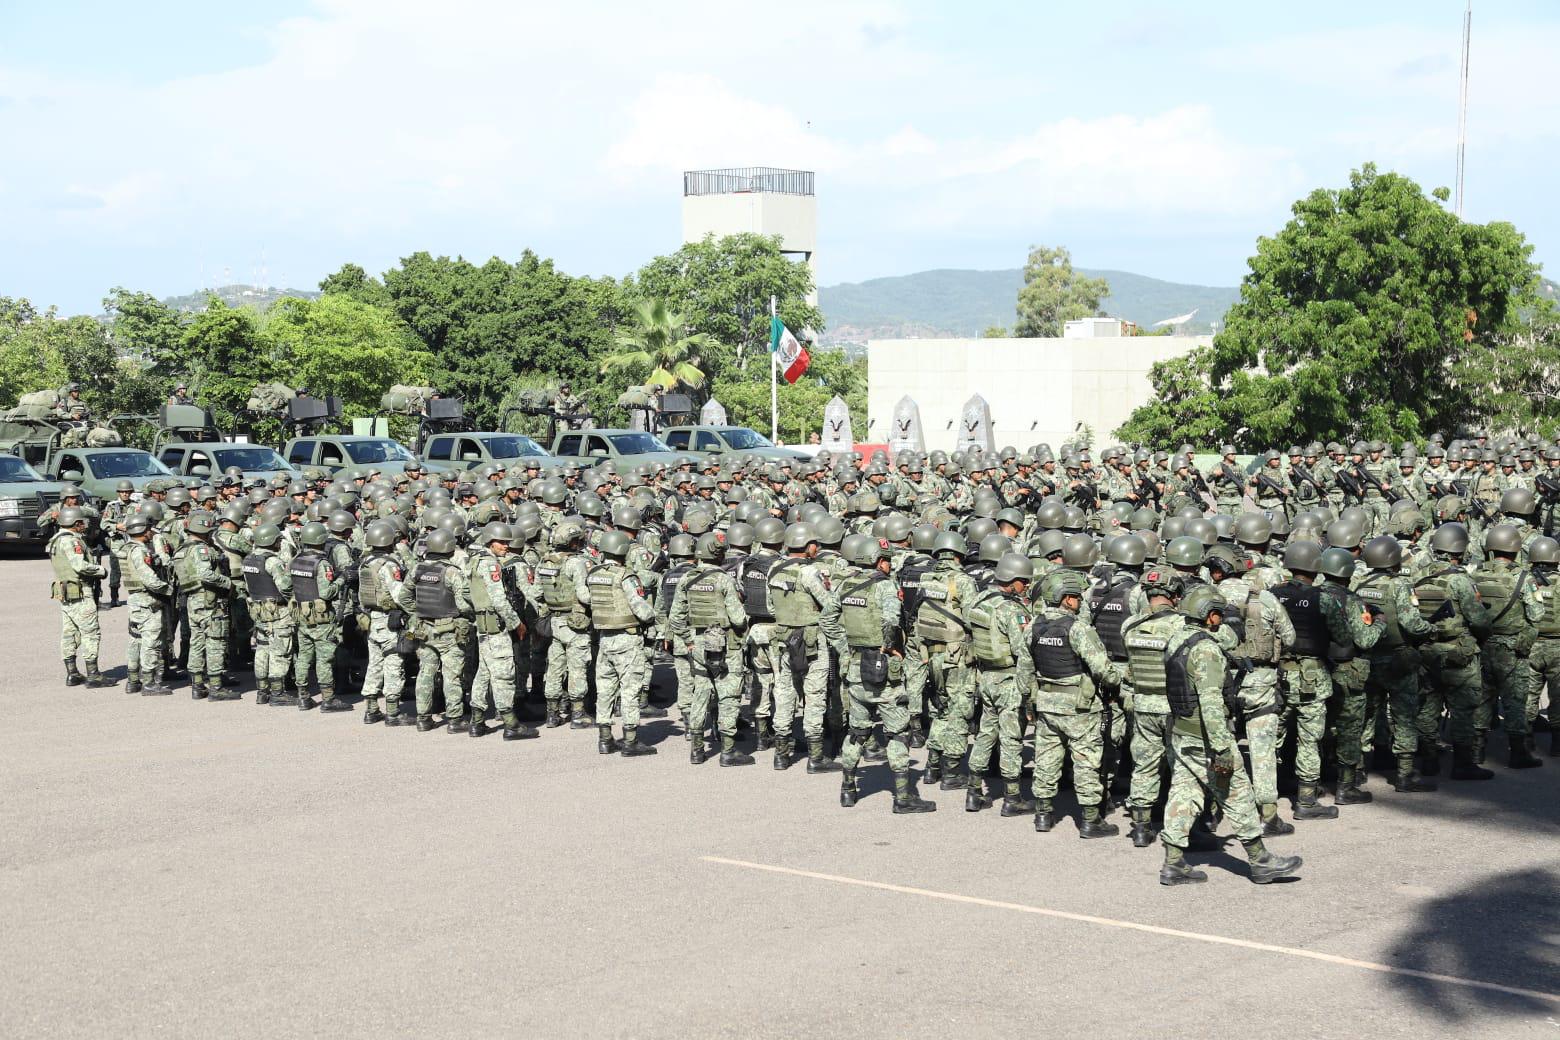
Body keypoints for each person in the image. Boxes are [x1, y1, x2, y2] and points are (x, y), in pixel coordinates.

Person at [1158, 585, 1304, 885]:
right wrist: (1222, 749)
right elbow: (1211, 703)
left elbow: (1221, 639)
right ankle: (1260, 860)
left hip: (1183, 733)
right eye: (1218, 615)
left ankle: (1173, 862)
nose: (1220, 620)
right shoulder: (1207, 652)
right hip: (1207, 738)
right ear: (1209, 615)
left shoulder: (1177, 639)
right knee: (1238, 794)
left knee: (1184, 794)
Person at [832, 534, 934, 812]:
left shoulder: (844, 585)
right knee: (897, 732)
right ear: (879, 561)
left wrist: (845, 647)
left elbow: (829, 619)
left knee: (857, 731)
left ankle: (848, 789)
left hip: (855, 667)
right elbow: (891, 621)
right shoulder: (885, 587)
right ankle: (903, 797)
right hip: (883, 670)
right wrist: (890, 650)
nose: (888, 565)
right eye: (886, 561)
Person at [1030, 569, 1122, 836]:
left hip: (1047, 703)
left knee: (1046, 759)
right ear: (1067, 600)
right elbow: (1103, 669)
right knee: (1086, 761)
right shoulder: (1079, 629)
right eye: (1077, 598)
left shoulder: (1034, 627)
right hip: (1079, 708)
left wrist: (1030, 701)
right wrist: (1117, 681)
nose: (1080, 601)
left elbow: (1026, 670)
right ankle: (1091, 820)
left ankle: (1043, 815)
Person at [668, 533, 752, 766]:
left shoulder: (686, 578)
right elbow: (737, 619)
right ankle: (728, 750)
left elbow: (675, 619)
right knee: (728, 696)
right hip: (725, 645)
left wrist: (689, 640)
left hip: (697, 644)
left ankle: (696, 750)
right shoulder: (723, 579)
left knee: (700, 693)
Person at [963, 552, 1036, 815]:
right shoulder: (1011, 610)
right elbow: (1022, 650)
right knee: (1011, 739)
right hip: (1009, 680)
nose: (1025, 586)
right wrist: (1029, 688)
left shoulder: (979, 601)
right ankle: (1012, 797)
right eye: (1023, 582)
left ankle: (973, 792)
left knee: (985, 734)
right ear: (1012, 579)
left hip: (987, 678)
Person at [583, 529, 659, 756]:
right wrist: (653, 615)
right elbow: (640, 609)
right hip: (627, 638)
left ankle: (605, 738)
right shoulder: (625, 576)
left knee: (605, 689)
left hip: (604, 638)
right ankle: (630, 740)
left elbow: (588, 599)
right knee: (630, 689)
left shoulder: (594, 574)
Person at [174, 510, 236, 701]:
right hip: (209, 601)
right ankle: (216, 686)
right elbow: (205, 574)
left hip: (193, 601)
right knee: (215, 642)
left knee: (197, 642)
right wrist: (227, 583)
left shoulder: (182, 549)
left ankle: (198, 684)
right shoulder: (202, 549)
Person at [49, 506, 110, 687]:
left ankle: (72, 673)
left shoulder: (56, 539)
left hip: (65, 591)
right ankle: (93, 674)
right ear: (75, 523)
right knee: (90, 633)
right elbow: (79, 565)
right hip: (81, 592)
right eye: (82, 522)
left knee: (69, 633)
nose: (85, 525)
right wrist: (100, 570)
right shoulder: (71, 541)